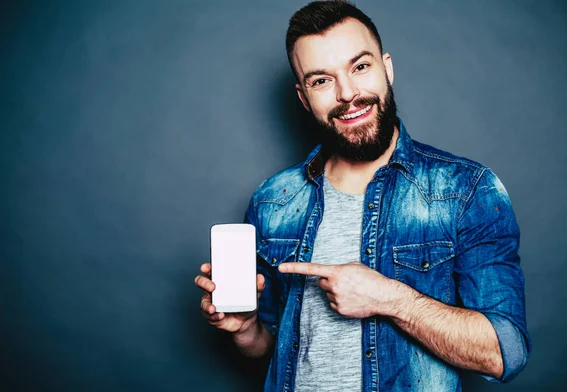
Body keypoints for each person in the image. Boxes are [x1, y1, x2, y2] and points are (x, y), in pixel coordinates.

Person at [194, 1, 531, 391]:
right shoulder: (273, 201)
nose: (347, 93)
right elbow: (275, 349)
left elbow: (505, 352)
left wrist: (391, 300)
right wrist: (246, 330)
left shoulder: (465, 189)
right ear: (304, 98)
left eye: (360, 67)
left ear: (386, 67)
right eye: (321, 80)